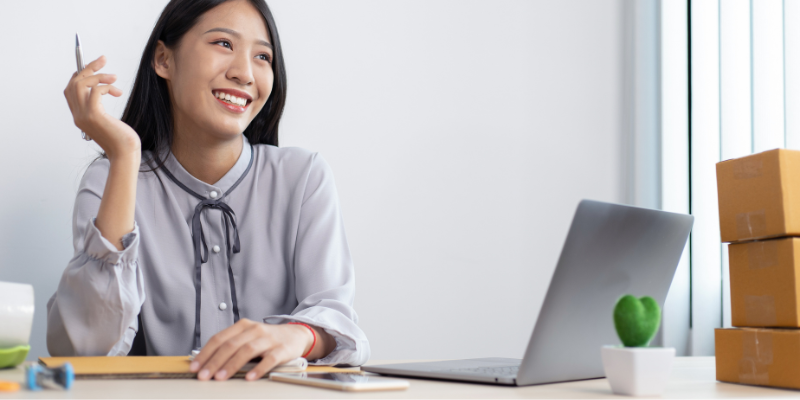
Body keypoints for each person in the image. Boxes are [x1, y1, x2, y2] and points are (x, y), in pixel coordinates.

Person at [48, 0, 369, 381]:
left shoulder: (303, 178)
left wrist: (297, 335)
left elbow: (340, 325)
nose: (244, 73)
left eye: (263, 56)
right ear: (164, 60)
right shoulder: (111, 178)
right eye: (223, 44)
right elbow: (84, 350)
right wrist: (124, 153)